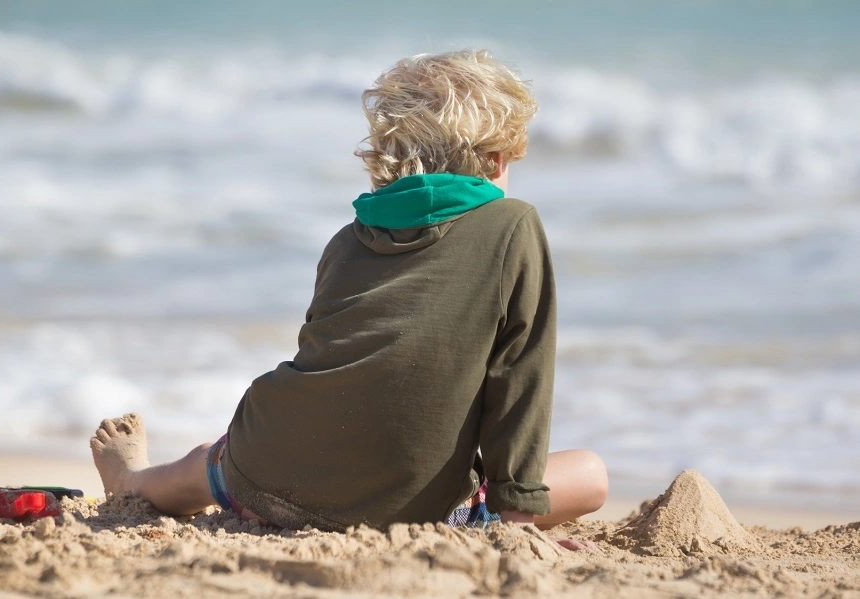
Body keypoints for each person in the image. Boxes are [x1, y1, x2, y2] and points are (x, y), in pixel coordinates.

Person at [91, 50, 608, 536]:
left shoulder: (347, 238)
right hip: (410, 505)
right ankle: (142, 479)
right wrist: (516, 521)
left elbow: (334, 354)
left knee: (208, 464)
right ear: (496, 162)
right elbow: (520, 378)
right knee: (590, 474)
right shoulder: (513, 224)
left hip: (271, 466)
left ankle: (134, 482)